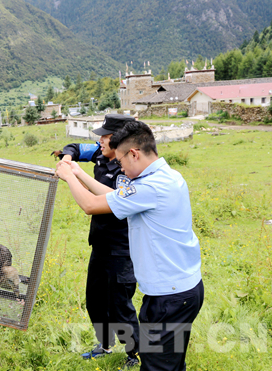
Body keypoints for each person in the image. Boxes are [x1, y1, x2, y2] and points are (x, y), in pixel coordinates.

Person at [55, 121, 203, 371]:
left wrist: (68, 176)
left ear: (134, 153)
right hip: (183, 290)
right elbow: (111, 196)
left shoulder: (149, 188)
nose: (120, 167)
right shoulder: (167, 176)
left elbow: (91, 205)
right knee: (172, 364)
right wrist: (79, 173)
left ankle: (132, 352)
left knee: (157, 366)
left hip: (169, 297)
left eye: (121, 160)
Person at [54, 114, 140, 368]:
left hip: (121, 249)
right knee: (95, 300)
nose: (100, 141)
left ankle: (135, 354)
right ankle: (105, 344)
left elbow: (109, 203)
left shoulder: (126, 172)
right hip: (100, 244)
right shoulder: (100, 154)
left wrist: (75, 174)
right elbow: (74, 147)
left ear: (121, 140)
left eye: (105, 136)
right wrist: (67, 158)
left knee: (120, 305)